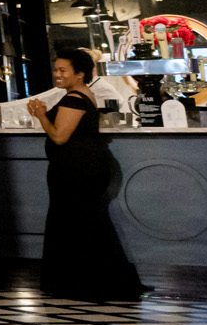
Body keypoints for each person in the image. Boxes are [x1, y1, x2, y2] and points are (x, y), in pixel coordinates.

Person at [28, 46, 147, 301]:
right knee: (87, 222)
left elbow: (59, 136)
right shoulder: (83, 94)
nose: (57, 74)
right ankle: (97, 280)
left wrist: (41, 115)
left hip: (76, 169)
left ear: (79, 74)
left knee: (76, 222)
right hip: (83, 167)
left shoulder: (73, 98)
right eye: (55, 70)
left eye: (62, 70)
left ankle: (82, 282)